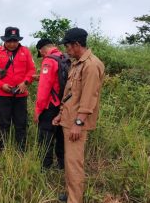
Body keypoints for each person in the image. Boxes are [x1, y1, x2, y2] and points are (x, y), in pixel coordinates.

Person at [52, 28, 105, 203]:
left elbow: (89, 98)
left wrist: (78, 123)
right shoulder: (77, 64)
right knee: (69, 162)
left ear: (76, 44)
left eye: (67, 46)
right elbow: (70, 95)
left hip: (76, 123)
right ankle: (71, 195)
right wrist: (61, 114)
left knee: (74, 164)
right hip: (69, 119)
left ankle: (75, 200)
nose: (66, 50)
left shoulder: (91, 65)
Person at [0, 26, 35, 151]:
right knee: (3, 123)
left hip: (21, 95)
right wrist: (2, 85)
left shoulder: (25, 52)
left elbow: (32, 70)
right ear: (5, 40)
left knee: (21, 123)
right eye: (9, 41)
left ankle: (21, 150)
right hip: (2, 95)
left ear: (18, 40)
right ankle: (3, 149)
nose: (12, 44)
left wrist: (26, 82)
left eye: (15, 41)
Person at [34, 38, 64, 169]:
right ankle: (62, 163)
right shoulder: (63, 57)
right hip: (63, 104)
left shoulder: (49, 60)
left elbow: (44, 88)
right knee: (61, 135)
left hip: (50, 105)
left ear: (42, 50)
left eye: (41, 54)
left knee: (45, 135)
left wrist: (38, 110)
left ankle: (45, 166)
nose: (42, 57)